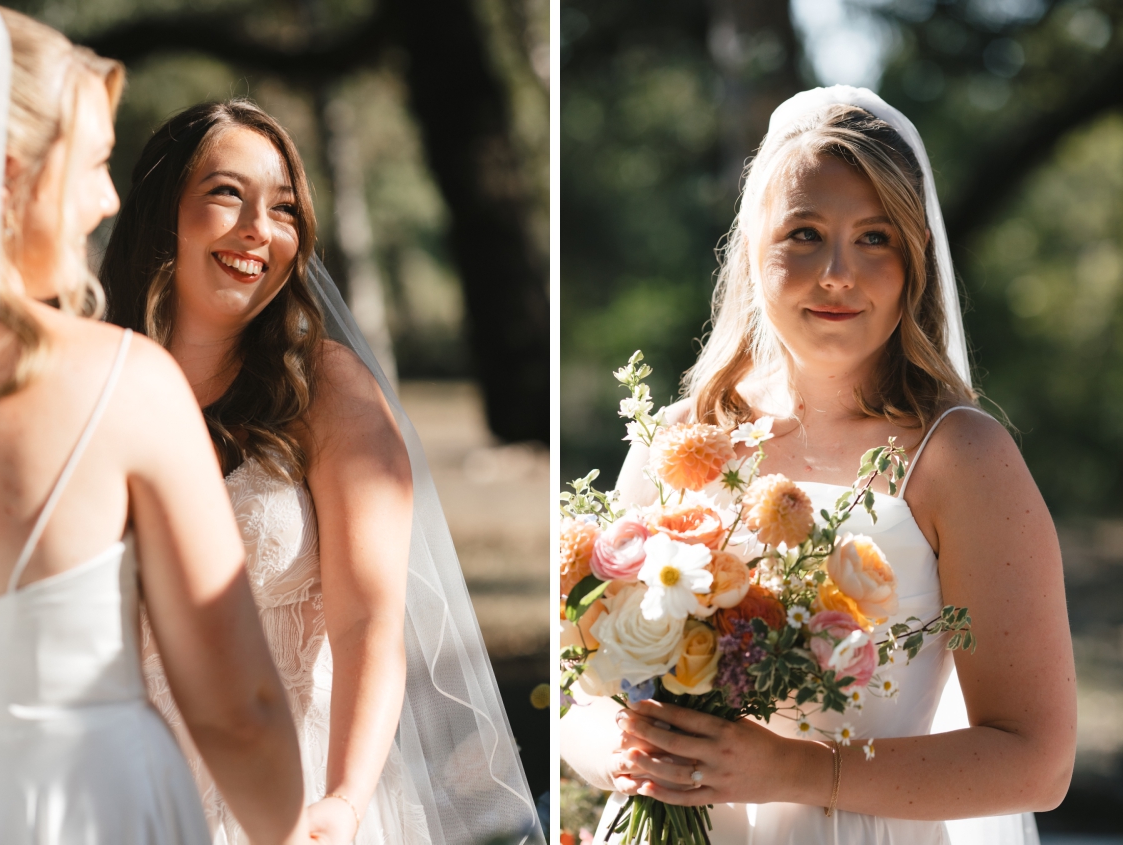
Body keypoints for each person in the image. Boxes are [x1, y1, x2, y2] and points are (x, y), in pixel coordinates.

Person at [559, 86, 1076, 845]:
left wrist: (796, 770)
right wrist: (625, 751)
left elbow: (1037, 762)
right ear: (752, 249)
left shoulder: (963, 456)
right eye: (804, 233)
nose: (838, 272)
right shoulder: (680, 438)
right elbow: (581, 699)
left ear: (913, 262)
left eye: (875, 239)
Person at [100, 99, 542, 845]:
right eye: (226, 193)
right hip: (117, 792)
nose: (257, 229)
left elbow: (368, 620)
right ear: (161, 208)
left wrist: (342, 796)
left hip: (292, 792)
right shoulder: (96, 385)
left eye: (283, 207)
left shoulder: (326, 391)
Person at [0, 5, 312, 844]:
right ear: (1, 173)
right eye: (93, 164)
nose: (106, 201)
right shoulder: (124, 383)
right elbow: (238, 708)